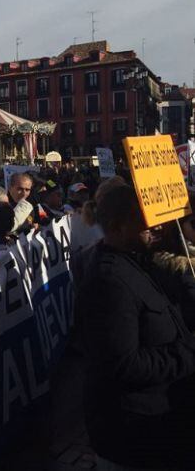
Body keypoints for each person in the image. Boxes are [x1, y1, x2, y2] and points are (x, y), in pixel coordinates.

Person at [76, 184, 195, 469]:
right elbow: (124, 364)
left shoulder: (141, 259)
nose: (154, 226)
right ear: (118, 227)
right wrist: (190, 351)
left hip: (165, 423)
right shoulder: (108, 281)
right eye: (143, 221)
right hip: (136, 435)